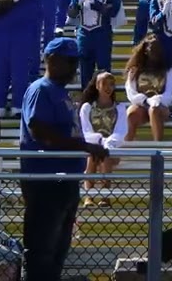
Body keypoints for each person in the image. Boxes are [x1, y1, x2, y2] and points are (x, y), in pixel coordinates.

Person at [20, 36, 108, 280]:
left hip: (65, 179)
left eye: (75, 62)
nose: (74, 67)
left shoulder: (61, 93)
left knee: (57, 252)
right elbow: (40, 131)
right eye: (69, 61)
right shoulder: (41, 89)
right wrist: (84, 146)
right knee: (42, 250)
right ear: (51, 60)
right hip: (46, 179)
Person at [79, 71, 127, 205]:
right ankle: (89, 196)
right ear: (97, 85)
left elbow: (121, 131)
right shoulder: (87, 107)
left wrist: (107, 144)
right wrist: (99, 141)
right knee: (92, 156)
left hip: (112, 148)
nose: (108, 87)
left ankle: (105, 195)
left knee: (105, 155)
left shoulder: (120, 108)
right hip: (91, 146)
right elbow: (85, 131)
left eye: (111, 84)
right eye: (104, 84)